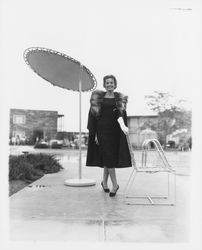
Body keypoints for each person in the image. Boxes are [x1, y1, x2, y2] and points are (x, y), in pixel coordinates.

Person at [86, 75, 132, 197]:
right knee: (108, 156)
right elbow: (93, 117)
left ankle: (104, 183)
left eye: (111, 82)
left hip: (115, 131)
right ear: (104, 85)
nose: (109, 84)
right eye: (107, 83)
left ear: (115, 84)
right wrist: (94, 133)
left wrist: (123, 126)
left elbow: (120, 114)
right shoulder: (98, 98)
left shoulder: (120, 99)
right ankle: (115, 185)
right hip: (102, 131)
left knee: (108, 157)